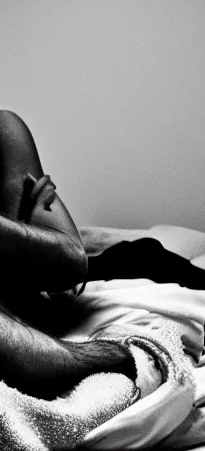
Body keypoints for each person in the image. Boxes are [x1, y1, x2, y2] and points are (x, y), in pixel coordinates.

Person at [0, 109, 137, 400]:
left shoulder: (3, 132)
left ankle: (49, 357)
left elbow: (71, 262)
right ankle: (47, 358)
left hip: (26, 310)